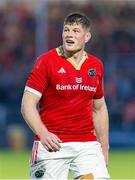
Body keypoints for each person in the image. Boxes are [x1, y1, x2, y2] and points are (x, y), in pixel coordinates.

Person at [21, 12, 110, 179]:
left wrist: (104, 147)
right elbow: (27, 105)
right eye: (66, 30)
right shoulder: (46, 62)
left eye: (76, 31)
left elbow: (99, 108)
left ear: (87, 36)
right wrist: (43, 133)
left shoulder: (96, 65)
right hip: (52, 144)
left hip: (87, 145)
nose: (69, 34)